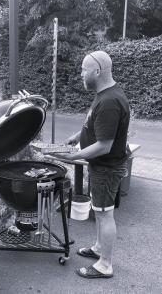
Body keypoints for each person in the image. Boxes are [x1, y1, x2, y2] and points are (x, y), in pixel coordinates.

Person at [54, 51, 130, 278]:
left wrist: (72, 158)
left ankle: (105, 265)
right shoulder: (105, 94)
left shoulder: (109, 101)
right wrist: (79, 135)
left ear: (97, 71)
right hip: (102, 167)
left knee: (105, 214)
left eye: (83, 69)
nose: (81, 74)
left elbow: (104, 145)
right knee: (99, 211)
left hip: (106, 168)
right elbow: (98, 126)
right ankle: (98, 249)